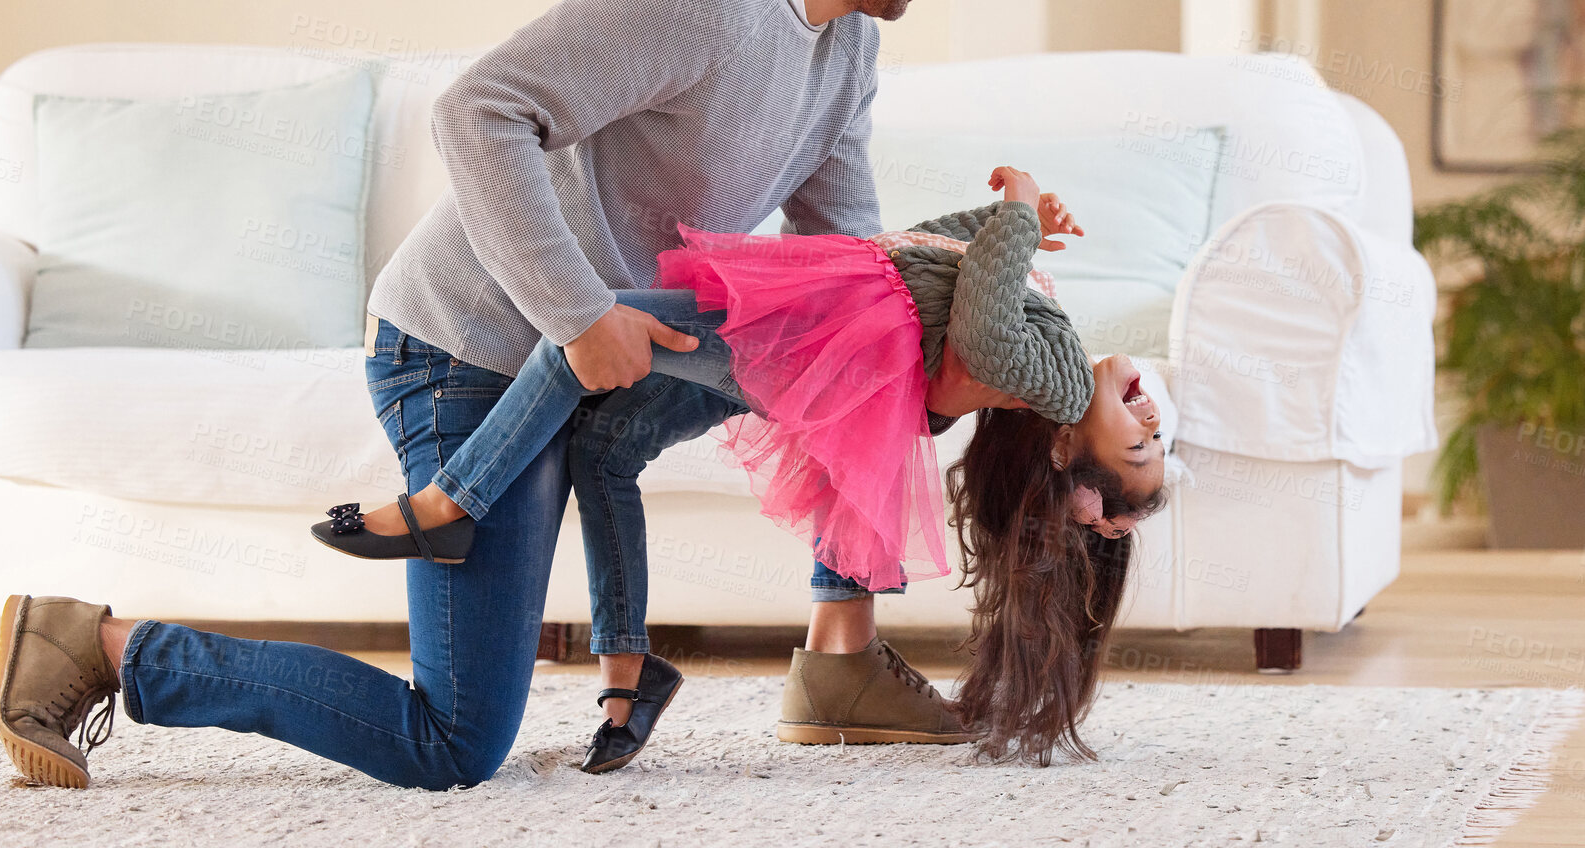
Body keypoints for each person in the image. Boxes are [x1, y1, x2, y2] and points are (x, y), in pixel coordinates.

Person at [0, 0, 992, 791]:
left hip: (577, 368)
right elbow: (480, 109)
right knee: (452, 741)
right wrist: (579, 310)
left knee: (824, 356)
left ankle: (835, 659)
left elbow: (840, 262)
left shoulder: (848, 47)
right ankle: (95, 647)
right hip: (463, 352)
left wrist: (960, 317)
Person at [313, 166, 1167, 769]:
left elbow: (978, 326)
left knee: (579, 334)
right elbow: (923, 256)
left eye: (1137, 442)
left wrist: (1016, 211)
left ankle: (450, 502)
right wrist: (995, 228)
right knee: (605, 448)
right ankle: (625, 675)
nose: (1148, 416)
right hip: (818, 323)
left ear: (1066, 450)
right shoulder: (1050, 362)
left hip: (802, 338)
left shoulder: (1052, 380)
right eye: (1156, 433)